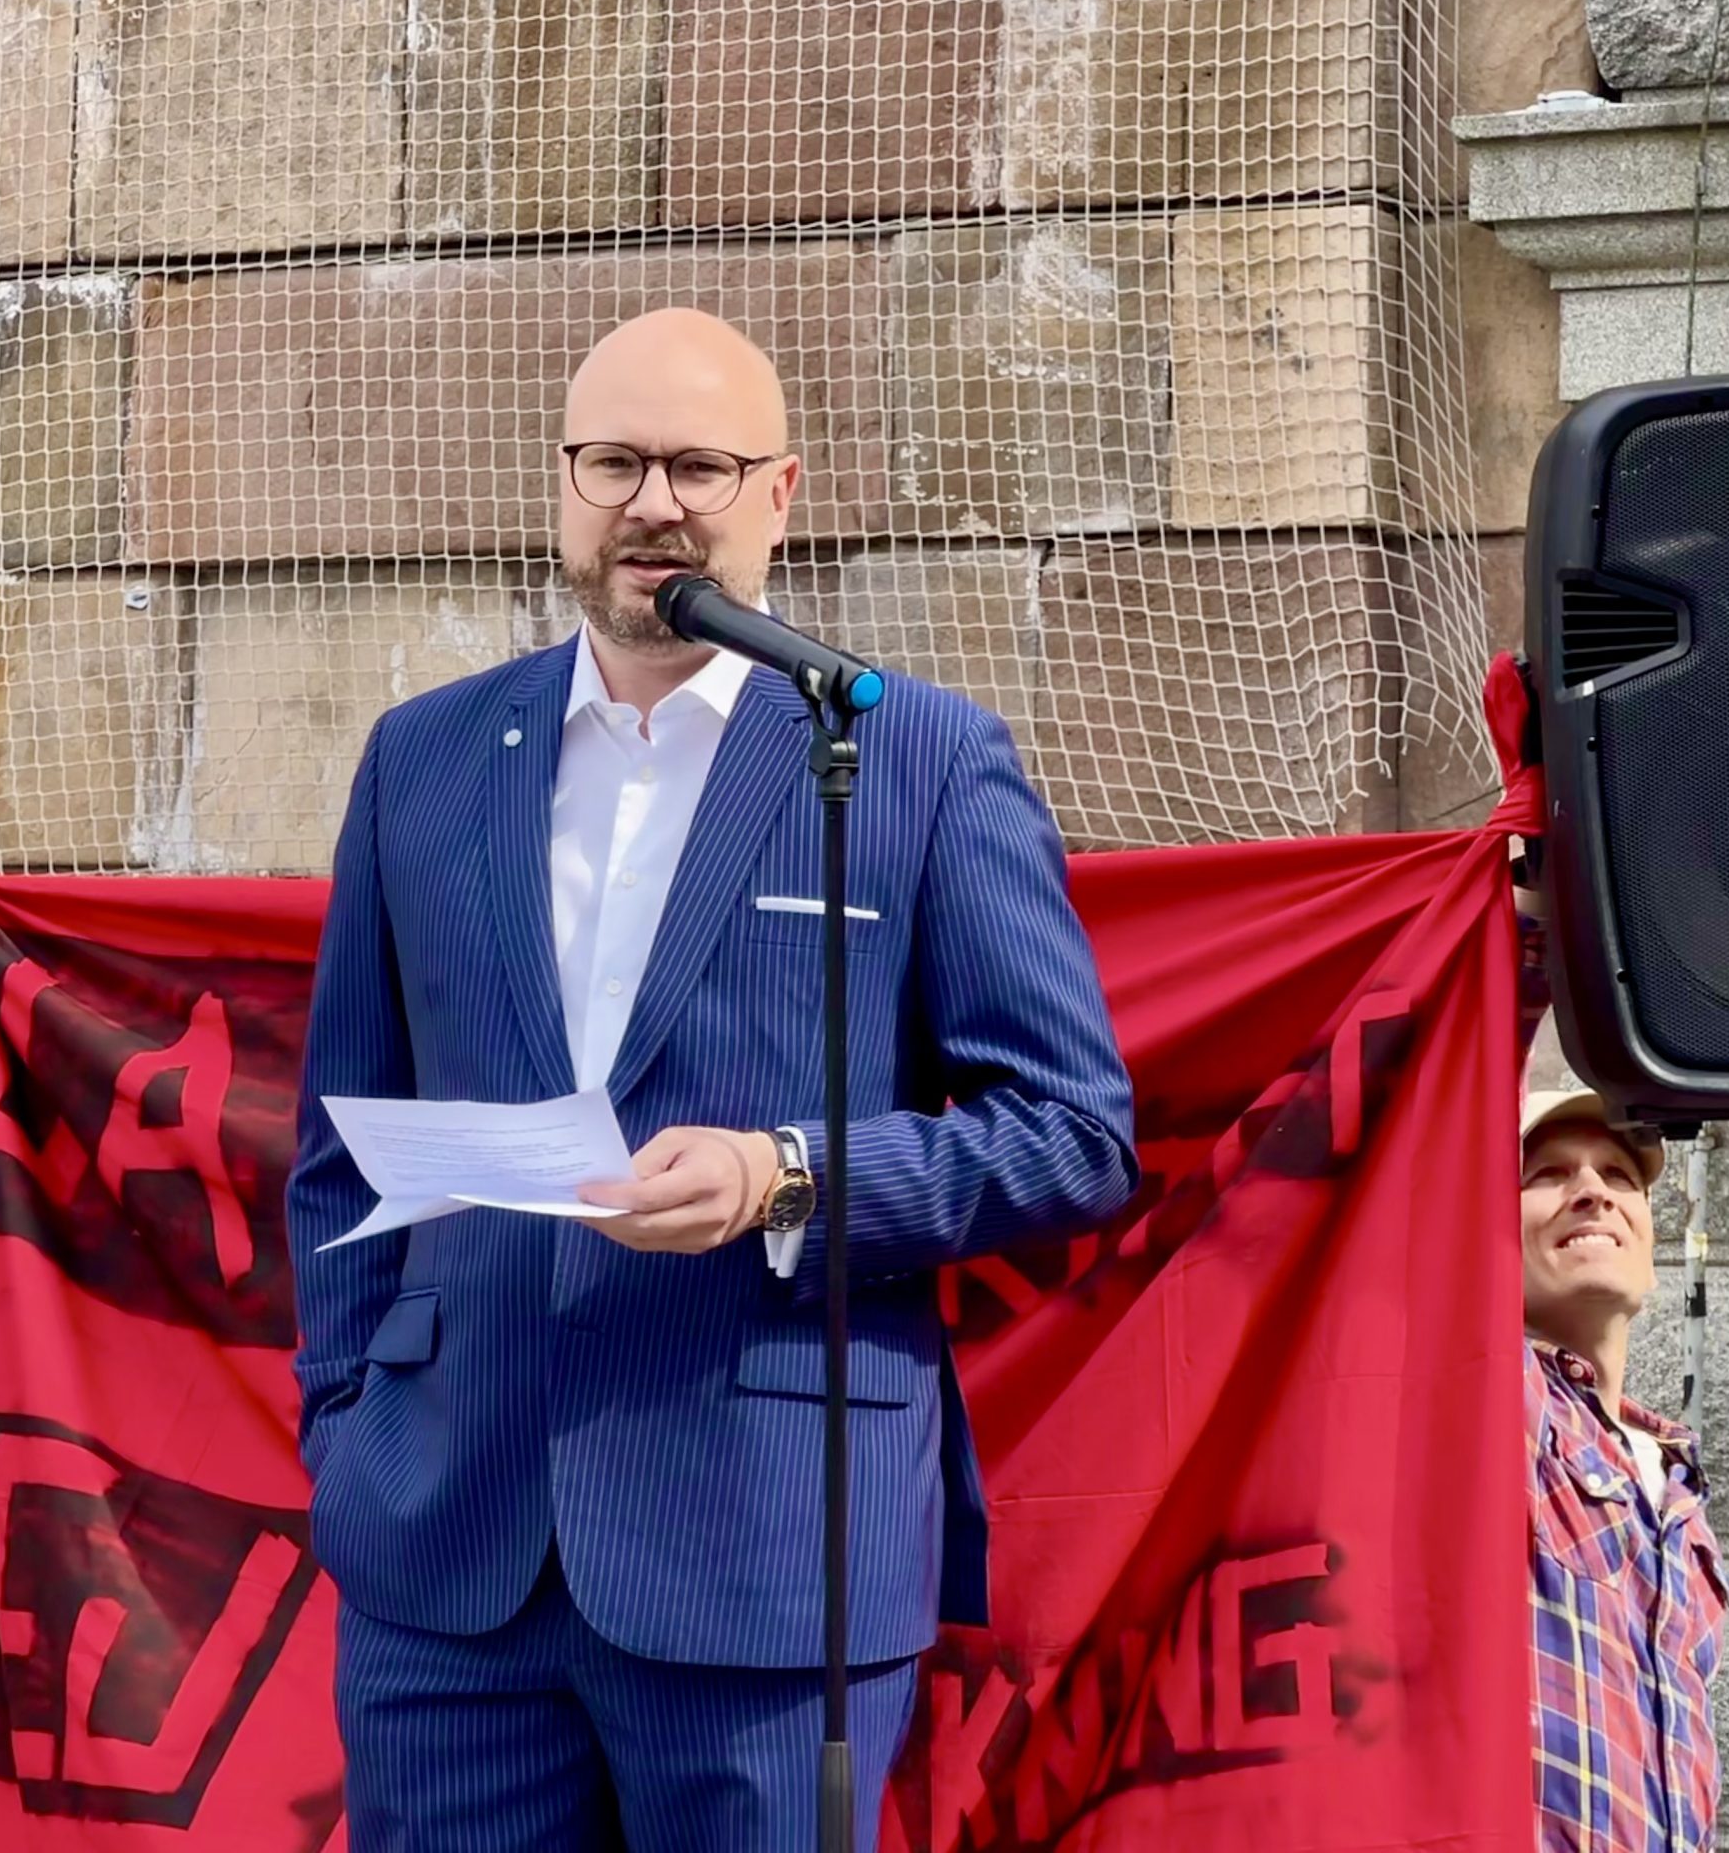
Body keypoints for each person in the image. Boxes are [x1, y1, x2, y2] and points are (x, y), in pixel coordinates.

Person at [286, 307, 1139, 1849]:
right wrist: (346, 1421)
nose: (653, 504)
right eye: (614, 462)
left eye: (699, 465)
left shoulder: (913, 761)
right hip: (443, 1550)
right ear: (562, 483)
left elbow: (1073, 1134)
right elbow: (339, 1144)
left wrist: (785, 1173)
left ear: (781, 493)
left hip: (765, 1555)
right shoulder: (421, 759)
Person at [1520, 1087, 1729, 1851]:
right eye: (1545, 1173)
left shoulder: (1676, 1482)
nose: (1591, 1193)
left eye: (1619, 1175)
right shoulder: (1484, 1400)